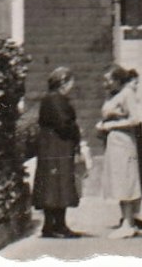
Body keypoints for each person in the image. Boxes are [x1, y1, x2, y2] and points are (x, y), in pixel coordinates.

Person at [97, 65, 142, 238]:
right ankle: (125, 220)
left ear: (118, 79)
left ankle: (129, 223)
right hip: (114, 143)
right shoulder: (113, 95)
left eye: (108, 80)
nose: (105, 83)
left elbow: (135, 119)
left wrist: (110, 125)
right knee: (118, 181)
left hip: (124, 143)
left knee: (126, 180)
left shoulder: (127, 93)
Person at [31, 68, 84, 239]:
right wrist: (76, 131)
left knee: (52, 186)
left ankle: (50, 225)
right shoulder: (56, 99)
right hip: (57, 147)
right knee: (58, 185)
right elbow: (64, 123)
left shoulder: (50, 99)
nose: (72, 86)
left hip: (50, 147)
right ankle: (58, 226)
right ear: (63, 82)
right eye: (70, 82)